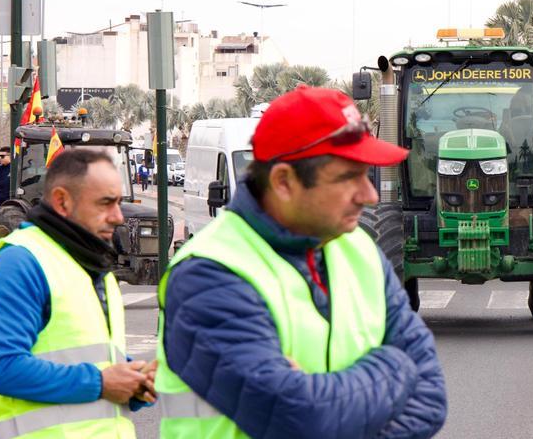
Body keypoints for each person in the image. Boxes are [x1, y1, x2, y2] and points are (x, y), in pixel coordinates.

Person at [157, 86, 447, 438]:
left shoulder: (359, 249)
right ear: (283, 182)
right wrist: (397, 366)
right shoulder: (207, 274)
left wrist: (322, 398)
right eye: (348, 177)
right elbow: (299, 418)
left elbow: (431, 397)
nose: (370, 195)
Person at [0, 149, 157, 438]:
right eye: (105, 203)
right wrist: (101, 382)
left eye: (118, 202)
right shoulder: (21, 261)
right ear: (62, 201)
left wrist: (131, 378)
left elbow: (84, 355)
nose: (117, 217)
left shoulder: (92, 269)